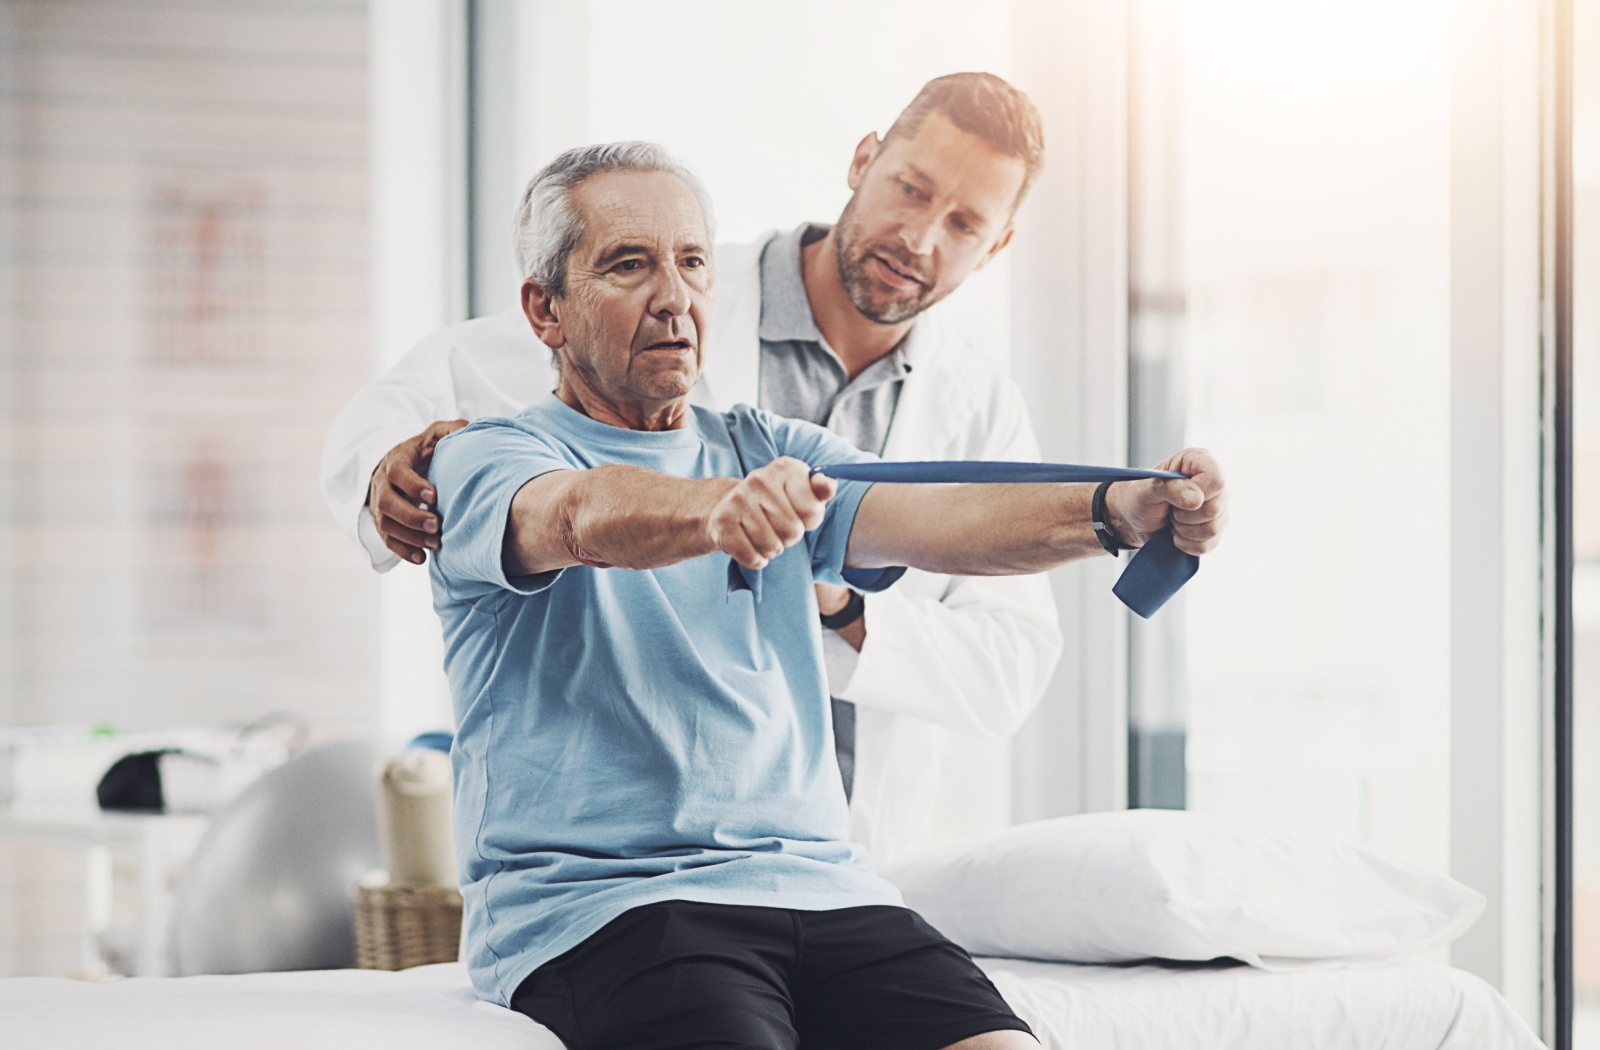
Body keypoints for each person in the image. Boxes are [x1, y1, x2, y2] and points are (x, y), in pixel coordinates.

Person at [427, 140, 1226, 1049]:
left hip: (829, 893)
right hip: (615, 909)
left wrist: (1116, 511)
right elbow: (574, 517)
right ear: (546, 310)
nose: (674, 297)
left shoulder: (766, 445)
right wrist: (715, 510)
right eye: (628, 265)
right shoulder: (484, 457)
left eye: (692, 262)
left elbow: (943, 517)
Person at [322, 74, 1063, 863]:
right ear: (864, 160)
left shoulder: (980, 400)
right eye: (910, 190)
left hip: (846, 853)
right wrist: (380, 472)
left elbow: (1010, 669)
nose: (918, 240)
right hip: (639, 846)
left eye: (963, 223)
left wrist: (835, 605)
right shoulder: (674, 289)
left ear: (999, 247)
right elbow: (428, 382)